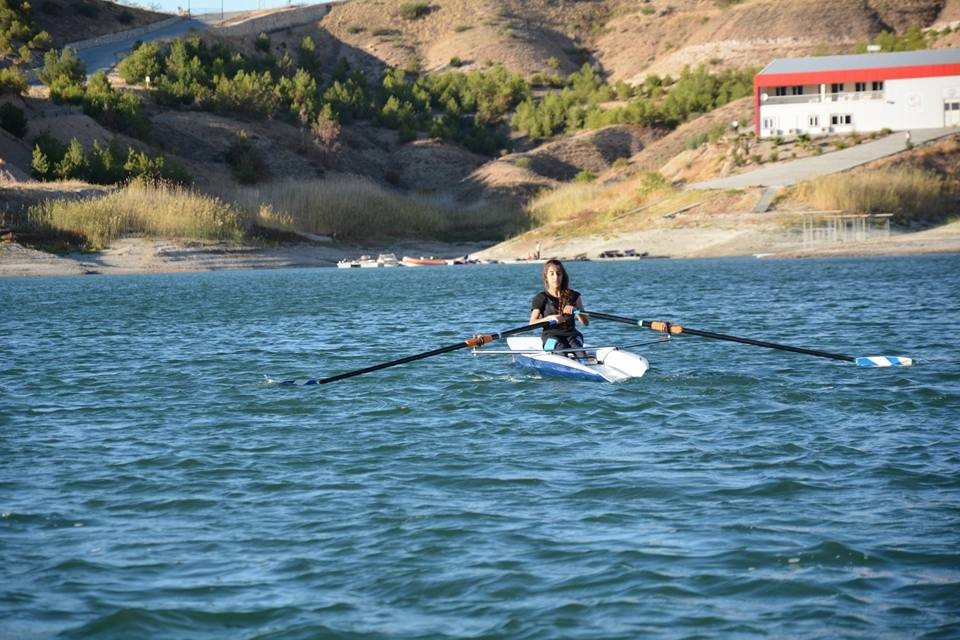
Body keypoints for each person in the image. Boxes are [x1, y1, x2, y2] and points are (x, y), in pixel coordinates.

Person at [529, 259, 589, 356]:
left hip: (572, 335)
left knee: (579, 351)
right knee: (561, 349)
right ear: (546, 277)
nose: (555, 277)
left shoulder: (574, 296)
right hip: (550, 336)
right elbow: (531, 323)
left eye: (559, 274)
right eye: (551, 274)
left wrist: (576, 311)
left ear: (563, 276)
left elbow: (585, 323)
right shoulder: (541, 298)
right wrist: (549, 318)